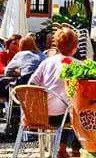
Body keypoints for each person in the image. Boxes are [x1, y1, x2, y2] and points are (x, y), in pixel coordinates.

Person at [29, 26, 81, 158]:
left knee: (65, 107)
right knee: (79, 110)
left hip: (40, 114)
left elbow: (31, 84)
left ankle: (61, 150)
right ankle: (73, 149)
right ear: (75, 47)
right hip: (61, 118)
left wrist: (30, 108)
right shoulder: (79, 66)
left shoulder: (46, 62)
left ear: (56, 45)